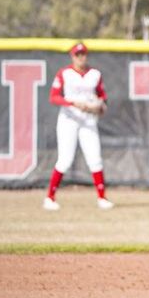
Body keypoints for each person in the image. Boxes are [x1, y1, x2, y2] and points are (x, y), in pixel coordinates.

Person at [44, 42, 113, 210]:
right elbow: (54, 97)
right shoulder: (65, 73)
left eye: (83, 54)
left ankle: (102, 198)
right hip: (69, 119)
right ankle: (50, 198)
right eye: (77, 54)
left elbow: (102, 97)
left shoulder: (94, 74)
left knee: (95, 158)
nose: (81, 57)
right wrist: (74, 103)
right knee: (65, 159)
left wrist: (100, 106)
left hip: (88, 120)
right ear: (72, 56)